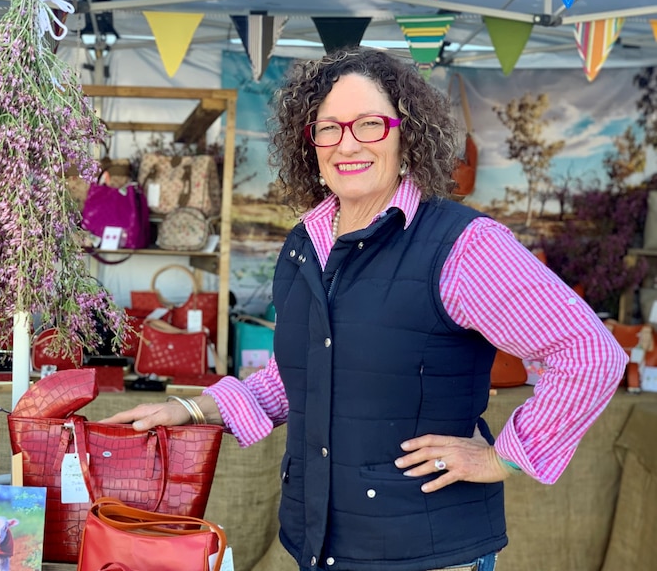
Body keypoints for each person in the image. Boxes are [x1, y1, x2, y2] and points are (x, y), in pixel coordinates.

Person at [102, 47, 627, 571]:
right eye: (328, 128)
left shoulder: (464, 246)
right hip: (321, 543)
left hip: (425, 553)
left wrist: (503, 456)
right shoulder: (303, 243)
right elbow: (303, 375)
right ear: (310, 144)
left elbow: (590, 351)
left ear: (407, 134)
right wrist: (194, 408)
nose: (347, 144)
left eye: (370, 124)